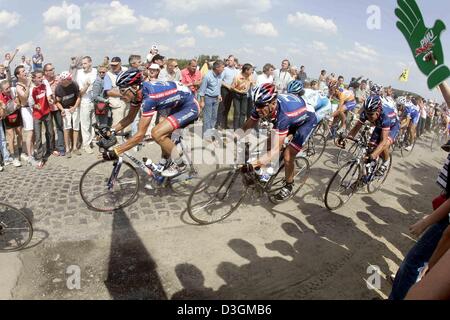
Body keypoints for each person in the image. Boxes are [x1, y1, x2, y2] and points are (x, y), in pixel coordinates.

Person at [102, 68, 202, 179]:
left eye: (123, 91)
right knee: (162, 134)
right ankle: (164, 164)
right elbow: (129, 118)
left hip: (189, 106)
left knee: (157, 133)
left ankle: (180, 165)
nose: (121, 95)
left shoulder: (149, 98)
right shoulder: (137, 94)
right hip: (177, 104)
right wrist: (111, 131)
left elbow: (139, 135)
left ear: (134, 88)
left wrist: (117, 151)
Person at [239, 83, 317, 201]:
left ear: (273, 103)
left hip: (306, 119)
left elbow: (275, 150)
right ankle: (265, 173)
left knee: (287, 156)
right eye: (256, 105)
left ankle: (289, 185)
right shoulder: (262, 105)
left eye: (260, 106)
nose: (257, 109)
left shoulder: (283, 116)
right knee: (268, 143)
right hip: (291, 115)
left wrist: (252, 165)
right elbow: (248, 126)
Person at [341, 95, 400, 177]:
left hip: (393, 126)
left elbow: (383, 142)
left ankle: (385, 163)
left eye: (371, 115)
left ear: (378, 111)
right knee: (371, 146)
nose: (368, 117)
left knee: (384, 145)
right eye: (367, 114)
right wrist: (346, 139)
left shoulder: (385, 116)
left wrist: (373, 155)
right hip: (379, 125)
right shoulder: (367, 112)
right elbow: (356, 128)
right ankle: (365, 176)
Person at [30, 70, 54, 168]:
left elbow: (48, 95)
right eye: (39, 77)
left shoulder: (44, 83)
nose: (41, 79)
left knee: (50, 132)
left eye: (41, 77)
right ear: (34, 78)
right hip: (37, 115)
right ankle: (40, 158)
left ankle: (50, 149)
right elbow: (30, 103)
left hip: (46, 111)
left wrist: (50, 99)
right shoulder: (31, 88)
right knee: (38, 136)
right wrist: (36, 105)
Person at [55, 71, 81, 158]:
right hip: (65, 109)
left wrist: (75, 107)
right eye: (68, 80)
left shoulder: (74, 84)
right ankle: (67, 149)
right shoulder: (58, 88)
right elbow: (57, 102)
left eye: (70, 79)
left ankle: (75, 147)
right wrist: (62, 109)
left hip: (74, 107)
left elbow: (78, 97)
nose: (70, 81)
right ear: (63, 80)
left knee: (76, 127)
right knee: (66, 128)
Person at [198, 61, 225, 141]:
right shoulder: (207, 76)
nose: (223, 69)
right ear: (217, 68)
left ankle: (211, 132)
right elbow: (202, 90)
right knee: (207, 118)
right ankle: (207, 136)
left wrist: (219, 95)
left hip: (216, 99)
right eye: (222, 67)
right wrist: (202, 101)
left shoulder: (220, 75)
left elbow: (218, 86)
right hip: (208, 98)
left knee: (214, 117)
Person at [76, 56, 97, 154]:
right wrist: (87, 85)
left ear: (90, 63)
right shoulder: (80, 73)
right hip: (85, 101)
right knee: (85, 124)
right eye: (82, 64)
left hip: (94, 101)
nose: (83, 66)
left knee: (93, 123)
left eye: (85, 63)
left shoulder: (95, 71)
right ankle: (86, 145)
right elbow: (80, 92)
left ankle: (92, 140)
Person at [44, 63, 65, 156]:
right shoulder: (42, 81)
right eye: (50, 69)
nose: (53, 71)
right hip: (47, 109)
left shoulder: (58, 79)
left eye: (53, 69)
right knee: (49, 129)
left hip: (57, 107)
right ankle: (50, 148)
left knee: (60, 127)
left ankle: (61, 147)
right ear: (45, 72)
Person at [14, 65, 34, 163]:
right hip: (25, 110)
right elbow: (24, 98)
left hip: (33, 108)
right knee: (29, 132)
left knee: (33, 131)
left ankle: (32, 151)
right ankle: (30, 156)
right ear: (18, 75)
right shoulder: (18, 86)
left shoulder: (27, 81)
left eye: (24, 70)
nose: (24, 72)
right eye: (22, 71)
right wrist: (28, 85)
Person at [0, 80, 22, 167]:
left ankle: (20, 152)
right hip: (7, 117)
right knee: (11, 136)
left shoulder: (13, 90)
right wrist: (4, 109)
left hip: (16, 114)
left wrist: (17, 104)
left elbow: (19, 104)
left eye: (9, 87)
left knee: (19, 134)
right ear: (2, 91)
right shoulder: (1, 98)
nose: (9, 90)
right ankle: (13, 157)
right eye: (6, 89)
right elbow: (2, 115)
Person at [104, 57, 128, 126]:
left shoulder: (126, 70)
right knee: (117, 126)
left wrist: (116, 91)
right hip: (117, 104)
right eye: (112, 65)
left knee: (128, 127)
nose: (113, 67)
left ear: (120, 64)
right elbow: (108, 92)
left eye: (115, 65)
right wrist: (124, 94)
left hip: (127, 103)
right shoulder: (108, 74)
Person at [231, 64, 255, 129]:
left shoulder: (250, 76)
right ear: (246, 70)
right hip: (236, 95)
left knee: (243, 113)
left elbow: (253, 84)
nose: (252, 71)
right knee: (237, 113)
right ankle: (235, 130)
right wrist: (239, 90)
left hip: (244, 96)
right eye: (251, 70)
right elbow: (232, 88)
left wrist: (252, 84)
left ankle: (241, 129)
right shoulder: (237, 77)